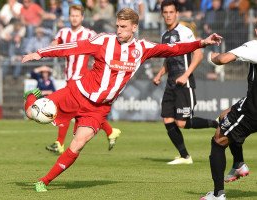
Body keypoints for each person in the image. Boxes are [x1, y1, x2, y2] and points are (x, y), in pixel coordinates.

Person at [22, 8, 222, 192]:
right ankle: (31, 97)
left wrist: (201, 42)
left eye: (124, 27)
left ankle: (44, 181)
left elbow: (173, 49)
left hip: (98, 109)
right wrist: (39, 53)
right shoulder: (103, 41)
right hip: (76, 93)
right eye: (117, 26)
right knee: (31, 113)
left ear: (134, 27)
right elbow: (73, 47)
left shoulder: (142, 48)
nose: (119, 30)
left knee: (78, 144)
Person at [46, 4, 121, 154]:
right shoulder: (63, 32)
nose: (74, 18)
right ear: (69, 17)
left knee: (65, 109)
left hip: (81, 80)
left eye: (77, 16)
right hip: (69, 78)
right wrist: (53, 45)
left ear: (82, 17)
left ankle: (59, 143)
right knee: (83, 114)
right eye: (72, 15)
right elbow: (55, 44)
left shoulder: (89, 34)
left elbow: (102, 49)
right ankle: (110, 131)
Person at [153, 0, 219, 165]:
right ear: (162, 14)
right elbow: (168, 60)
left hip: (184, 82)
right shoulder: (164, 35)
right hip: (170, 82)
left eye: (171, 12)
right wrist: (160, 74)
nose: (168, 15)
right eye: (165, 12)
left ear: (176, 13)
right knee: (167, 120)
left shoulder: (184, 31)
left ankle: (216, 123)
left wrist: (186, 75)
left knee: (181, 122)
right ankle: (184, 156)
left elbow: (198, 55)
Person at [200, 29, 257, 200]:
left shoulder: (255, 46)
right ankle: (238, 164)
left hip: (253, 112)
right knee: (226, 116)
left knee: (218, 141)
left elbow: (223, 59)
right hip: (249, 103)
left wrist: (211, 56)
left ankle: (218, 194)